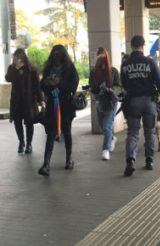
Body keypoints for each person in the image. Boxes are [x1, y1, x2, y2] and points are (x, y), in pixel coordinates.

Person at [120, 35, 160, 176]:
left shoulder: (125, 64)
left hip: (133, 102)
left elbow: (124, 84)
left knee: (133, 133)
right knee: (149, 132)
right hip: (149, 102)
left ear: (131, 46)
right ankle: (149, 161)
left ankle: (130, 160)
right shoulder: (150, 63)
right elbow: (159, 82)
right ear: (143, 46)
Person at [38, 45, 79, 176]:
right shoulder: (48, 68)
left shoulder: (69, 68)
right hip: (52, 103)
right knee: (51, 132)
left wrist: (59, 83)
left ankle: (69, 159)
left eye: (59, 55)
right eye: (55, 55)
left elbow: (73, 85)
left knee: (66, 131)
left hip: (65, 104)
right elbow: (41, 85)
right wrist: (47, 83)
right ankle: (46, 164)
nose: (57, 58)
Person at [6, 48, 44, 154]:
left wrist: (41, 99)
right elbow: (8, 78)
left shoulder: (31, 69)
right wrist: (16, 69)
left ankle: (29, 144)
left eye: (20, 56)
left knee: (29, 122)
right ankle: (21, 142)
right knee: (17, 121)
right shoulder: (12, 68)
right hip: (16, 100)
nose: (19, 59)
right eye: (16, 57)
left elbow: (37, 85)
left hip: (29, 100)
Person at [89, 47, 123, 160]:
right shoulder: (94, 72)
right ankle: (112, 138)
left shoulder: (113, 71)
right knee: (102, 124)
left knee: (107, 126)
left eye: (103, 57)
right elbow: (92, 86)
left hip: (111, 102)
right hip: (99, 102)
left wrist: (109, 89)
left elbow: (119, 86)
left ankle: (105, 150)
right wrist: (92, 89)